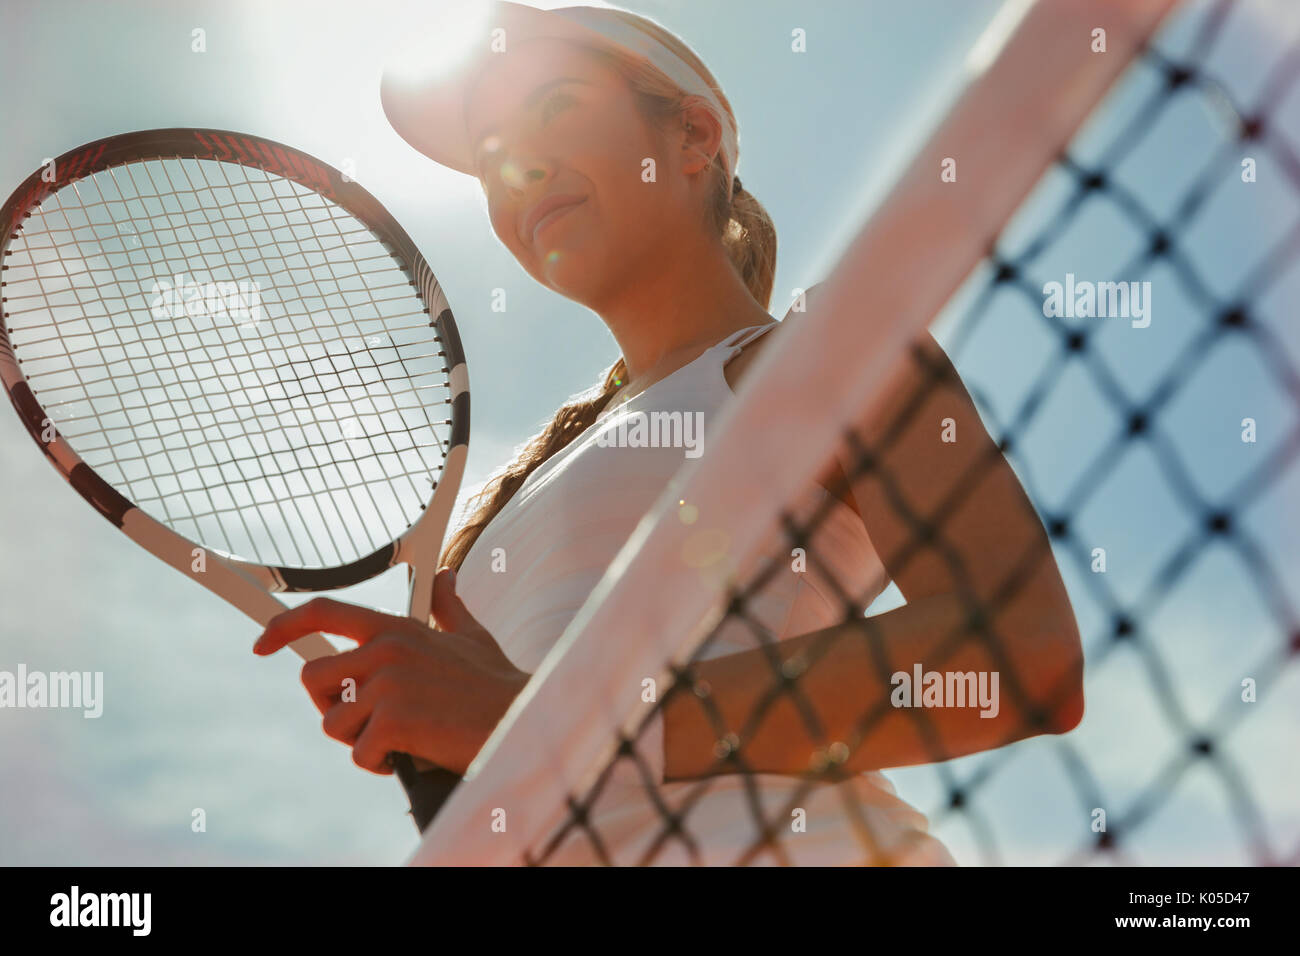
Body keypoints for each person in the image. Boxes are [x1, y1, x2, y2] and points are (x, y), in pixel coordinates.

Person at [254, 1, 1084, 865]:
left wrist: (544, 719)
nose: (517, 170)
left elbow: (1018, 655)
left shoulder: (823, 346)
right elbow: (537, 765)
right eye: (489, 155)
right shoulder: (512, 493)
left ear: (691, 136)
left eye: (553, 109)